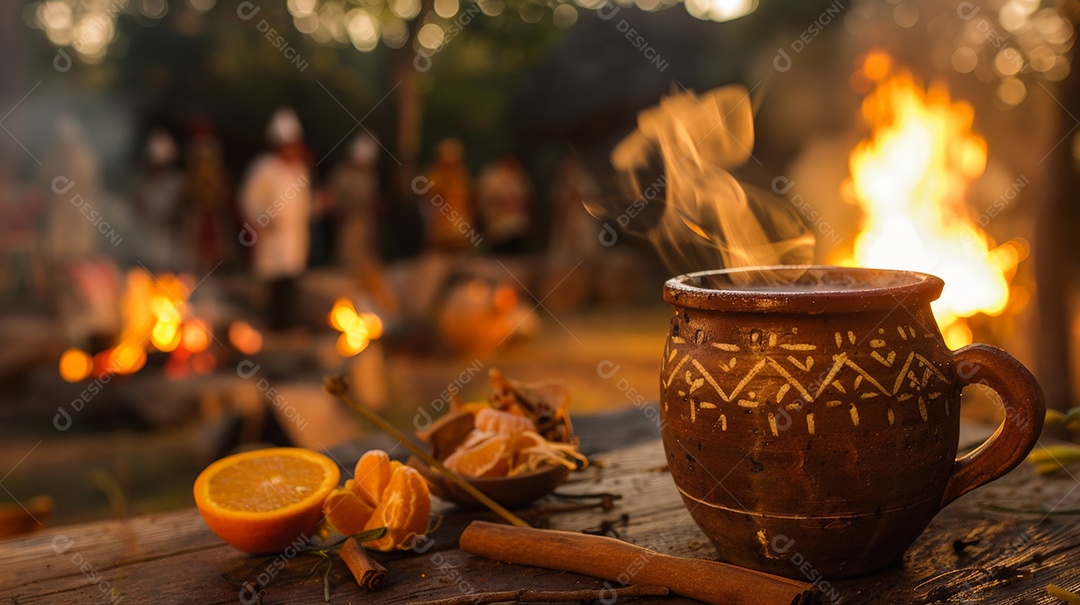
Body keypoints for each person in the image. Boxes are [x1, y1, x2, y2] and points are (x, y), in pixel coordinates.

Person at [239, 107, 313, 332]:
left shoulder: (299, 170)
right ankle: (271, 330)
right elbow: (248, 199)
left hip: (295, 238)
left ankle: (288, 329)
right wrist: (263, 219)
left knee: (290, 286)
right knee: (272, 288)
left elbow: (304, 205)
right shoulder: (263, 168)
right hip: (272, 239)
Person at [326, 134, 399, 315]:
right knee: (349, 270)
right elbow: (332, 204)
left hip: (367, 234)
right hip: (349, 233)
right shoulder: (341, 176)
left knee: (370, 271)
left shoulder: (371, 178)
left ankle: (380, 313)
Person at [132, 129, 185, 272]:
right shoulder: (142, 183)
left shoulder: (178, 183)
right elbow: (136, 209)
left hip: (170, 251)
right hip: (143, 249)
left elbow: (180, 215)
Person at [183, 120, 232, 273]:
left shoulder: (219, 177)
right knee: (193, 255)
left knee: (215, 254)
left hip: (214, 214)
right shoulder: (191, 177)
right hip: (197, 213)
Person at [419, 138, 476, 253]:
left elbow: (468, 201)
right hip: (439, 231)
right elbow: (427, 204)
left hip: (460, 229)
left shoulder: (463, 177)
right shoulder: (433, 177)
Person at [475, 155, 532, 253]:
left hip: (518, 228)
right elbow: (484, 201)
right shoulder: (492, 178)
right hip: (499, 228)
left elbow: (526, 203)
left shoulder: (520, 178)